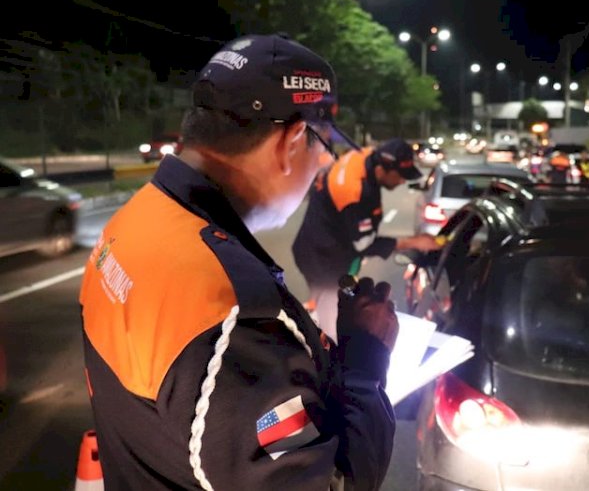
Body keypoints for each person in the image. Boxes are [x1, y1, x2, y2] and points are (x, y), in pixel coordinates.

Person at [79, 34, 398, 491]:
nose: (321, 170)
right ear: (292, 140)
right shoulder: (232, 311)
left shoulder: (134, 221)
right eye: (324, 150)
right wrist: (367, 359)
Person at [292, 139, 440, 340]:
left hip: (325, 245)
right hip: (322, 258)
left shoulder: (365, 156)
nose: (403, 182)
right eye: (401, 176)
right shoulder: (354, 192)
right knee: (332, 324)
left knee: (335, 304)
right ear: (382, 169)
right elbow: (365, 244)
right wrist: (414, 242)